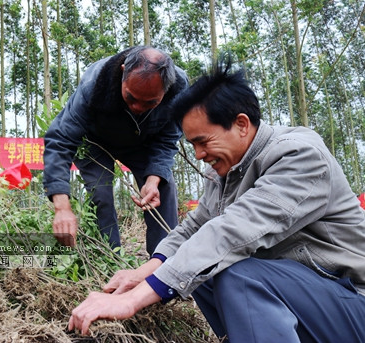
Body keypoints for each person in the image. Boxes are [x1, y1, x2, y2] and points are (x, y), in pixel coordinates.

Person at [68, 58, 365, 342]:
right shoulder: (227, 172)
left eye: (202, 141)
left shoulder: (299, 156)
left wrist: (134, 300)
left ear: (241, 124)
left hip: (351, 299)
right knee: (202, 270)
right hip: (309, 297)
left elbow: (230, 233)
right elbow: (193, 230)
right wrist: (141, 274)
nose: (198, 155)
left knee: (239, 273)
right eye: (192, 144)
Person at [43, 46, 189, 254]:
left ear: (166, 91)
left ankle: (164, 261)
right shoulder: (94, 84)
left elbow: (167, 139)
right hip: (96, 142)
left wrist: (154, 179)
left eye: (150, 103)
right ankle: (111, 258)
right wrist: (61, 206)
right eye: (131, 97)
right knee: (100, 194)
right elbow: (61, 139)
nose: (137, 107)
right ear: (123, 72)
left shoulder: (179, 88)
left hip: (144, 141)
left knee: (163, 191)